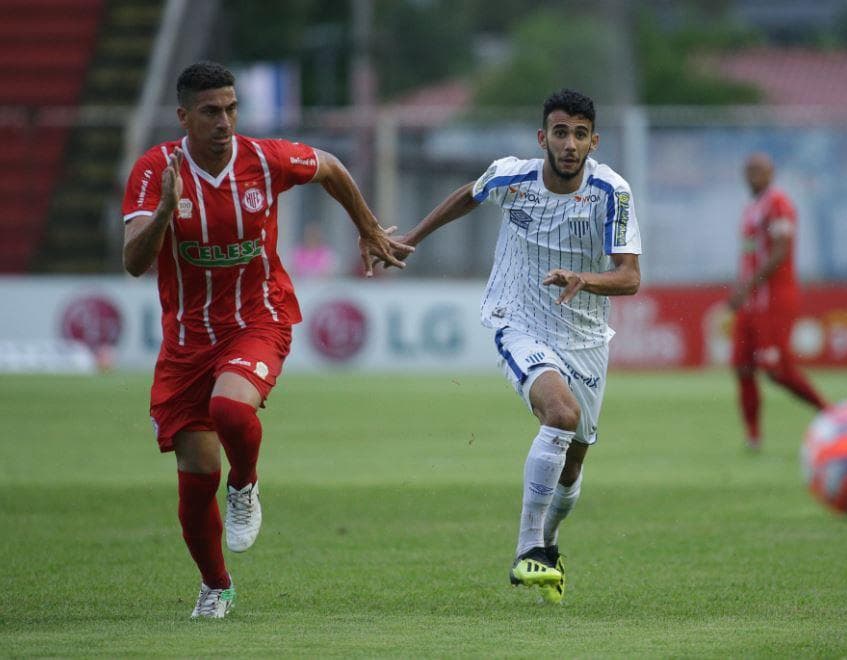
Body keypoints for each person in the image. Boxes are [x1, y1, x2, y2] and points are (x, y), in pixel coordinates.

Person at [121, 61, 411, 618]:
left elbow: (328, 166)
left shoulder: (262, 159)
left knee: (230, 410)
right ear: (184, 116)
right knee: (196, 477)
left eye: (231, 109)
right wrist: (163, 211)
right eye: (210, 112)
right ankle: (216, 585)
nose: (225, 121)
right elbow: (134, 261)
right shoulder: (155, 169)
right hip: (186, 342)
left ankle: (246, 486)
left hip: (259, 318)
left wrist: (369, 227)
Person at [386, 89, 641, 604]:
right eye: (560, 132)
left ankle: (548, 542)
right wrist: (412, 236)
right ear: (542, 137)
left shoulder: (612, 193)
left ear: (595, 141)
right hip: (517, 319)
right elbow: (469, 194)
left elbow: (630, 277)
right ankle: (529, 550)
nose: (569, 144)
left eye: (580, 134)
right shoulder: (512, 176)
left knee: (573, 462)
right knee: (560, 415)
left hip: (586, 337)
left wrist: (582, 279)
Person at [729, 152, 828, 450]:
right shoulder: (751, 208)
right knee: (742, 365)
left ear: (772, 173)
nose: (753, 174)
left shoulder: (778, 204)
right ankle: (753, 437)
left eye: (759, 169)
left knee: (777, 370)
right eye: (749, 169)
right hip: (752, 301)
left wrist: (748, 286)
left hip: (774, 298)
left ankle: (830, 413)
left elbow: (781, 250)